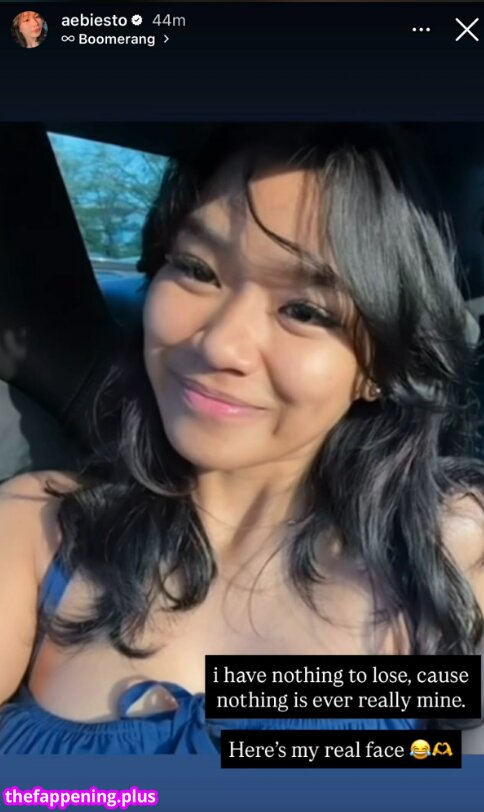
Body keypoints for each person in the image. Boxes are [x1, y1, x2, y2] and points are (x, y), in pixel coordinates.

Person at [0, 123, 483, 754]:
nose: (220, 345)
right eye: (197, 270)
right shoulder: (41, 528)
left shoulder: (449, 548)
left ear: (379, 366)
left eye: (305, 311)